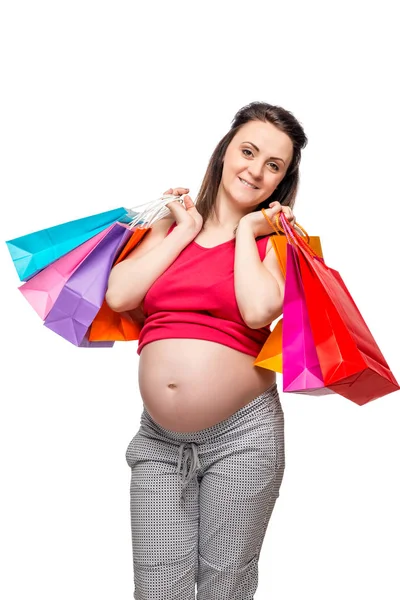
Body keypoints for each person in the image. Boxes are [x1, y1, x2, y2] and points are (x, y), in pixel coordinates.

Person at [105, 101, 307, 600]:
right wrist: (188, 231)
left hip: (244, 437)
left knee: (225, 589)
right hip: (157, 441)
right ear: (224, 152)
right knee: (156, 592)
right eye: (249, 151)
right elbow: (119, 296)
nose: (255, 170)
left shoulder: (279, 241)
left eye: (273, 166)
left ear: (282, 181)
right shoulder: (171, 225)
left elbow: (260, 310)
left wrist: (244, 232)